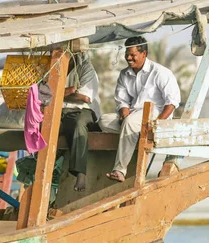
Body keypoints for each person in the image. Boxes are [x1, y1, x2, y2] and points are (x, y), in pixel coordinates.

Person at [99, 36, 181, 182]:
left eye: (132, 55)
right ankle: (133, 133)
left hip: (156, 114)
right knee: (103, 121)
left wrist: (157, 125)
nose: (128, 58)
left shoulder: (160, 72)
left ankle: (119, 170)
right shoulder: (124, 74)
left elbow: (172, 102)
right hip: (134, 115)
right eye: (127, 54)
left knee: (130, 123)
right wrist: (123, 110)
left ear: (144, 54)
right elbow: (121, 100)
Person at [60, 52, 102, 192]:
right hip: (60, 112)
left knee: (79, 125)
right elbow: (43, 93)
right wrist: (69, 91)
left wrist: (58, 93)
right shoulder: (53, 67)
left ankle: (81, 174)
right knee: (44, 126)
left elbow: (84, 98)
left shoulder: (86, 68)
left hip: (84, 110)